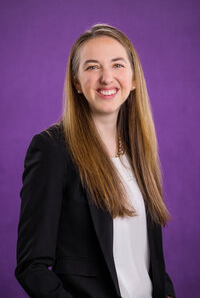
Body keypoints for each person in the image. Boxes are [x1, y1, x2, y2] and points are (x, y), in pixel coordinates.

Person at [15, 23, 176, 298]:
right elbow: (32, 267)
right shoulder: (52, 149)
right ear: (76, 82)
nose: (106, 78)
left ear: (134, 79)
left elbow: (148, 263)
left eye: (117, 65)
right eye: (92, 67)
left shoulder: (140, 152)